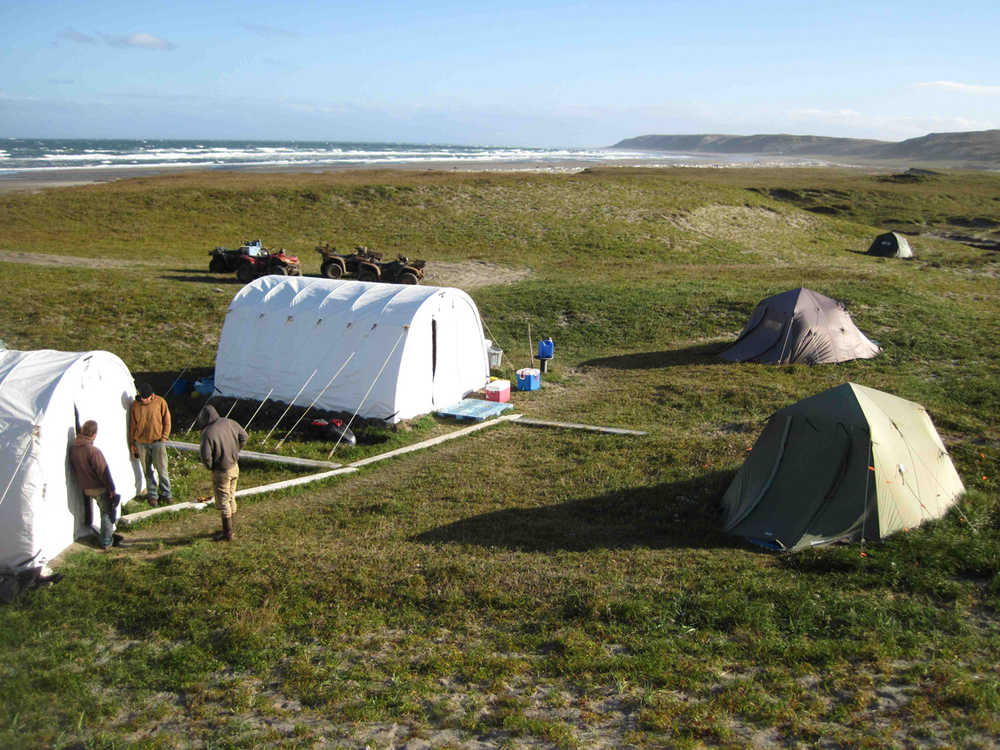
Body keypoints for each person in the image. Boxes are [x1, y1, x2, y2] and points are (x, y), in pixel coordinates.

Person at [68, 420, 122, 551]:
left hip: (85, 488)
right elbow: (103, 472)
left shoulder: (73, 448)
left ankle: (93, 530)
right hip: (99, 488)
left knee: (98, 511)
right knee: (107, 513)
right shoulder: (93, 451)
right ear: (94, 434)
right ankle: (106, 542)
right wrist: (112, 489)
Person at [197, 404, 248, 542]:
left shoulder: (207, 433)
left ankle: (228, 533)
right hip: (234, 466)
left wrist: (211, 467)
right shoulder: (229, 422)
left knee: (224, 501)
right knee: (231, 496)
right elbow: (244, 436)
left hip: (221, 471)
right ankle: (232, 526)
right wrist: (236, 451)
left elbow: (205, 456)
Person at [129, 382, 172, 505]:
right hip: (141, 443)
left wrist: (164, 438)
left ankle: (166, 494)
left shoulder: (160, 402)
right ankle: (153, 495)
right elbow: (132, 426)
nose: (143, 400)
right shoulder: (135, 406)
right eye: (141, 398)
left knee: (162, 469)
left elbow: (167, 421)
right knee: (147, 471)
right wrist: (132, 443)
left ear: (152, 396)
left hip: (157, 441)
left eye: (145, 398)